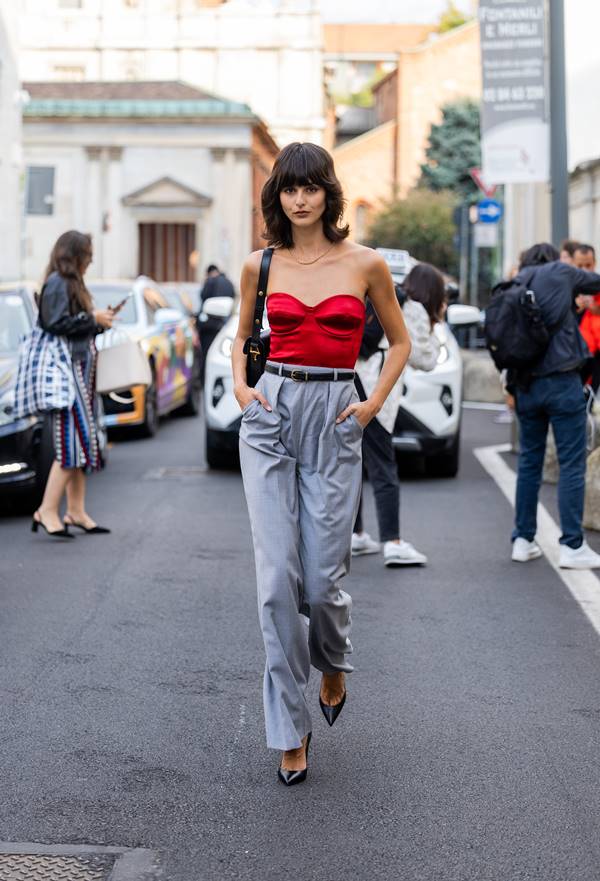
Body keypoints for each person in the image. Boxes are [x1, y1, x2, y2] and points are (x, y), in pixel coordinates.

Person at [232, 142, 411, 785]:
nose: (300, 198)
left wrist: (370, 408)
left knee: (323, 580)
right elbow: (242, 333)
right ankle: (289, 728)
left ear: (327, 194)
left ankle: (333, 660)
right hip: (272, 411)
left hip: (337, 413)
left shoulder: (365, 265)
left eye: (310, 187)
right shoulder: (262, 263)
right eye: (289, 188)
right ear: (277, 196)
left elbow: (400, 342)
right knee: (276, 582)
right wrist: (242, 388)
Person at [508, 242, 600, 569]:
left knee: (530, 462)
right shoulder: (560, 272)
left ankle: (522, 539)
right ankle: (572, 546)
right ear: (553, 259)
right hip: (561, 382)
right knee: (572, 462)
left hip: (526, 386)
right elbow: (596, 282)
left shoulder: (515, 283)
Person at [352, 262, 446, 566]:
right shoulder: (415, 308)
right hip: (375, 390)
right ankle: (392, 542)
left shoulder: (380, 297)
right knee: (383, 467)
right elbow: (425, 359)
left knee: (351, 462)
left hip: (350, 383)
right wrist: (437, 323)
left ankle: (355, 535)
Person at [32, 231, 114, 539]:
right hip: (66, 373)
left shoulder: (70, 283)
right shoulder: (58, 283)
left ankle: (75, 510)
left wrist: (97, 322)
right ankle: (47, 510)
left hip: (79, 369)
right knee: (71, 442)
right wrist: (94, 319)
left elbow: (72, 326)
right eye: (88, 254)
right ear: (74, 254)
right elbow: (55, 324)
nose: (91, 260)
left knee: (82, 442)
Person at [574, 245, 600, 389]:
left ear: (594, 263)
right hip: (577, 350)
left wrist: (594, 307)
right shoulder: (567, 285)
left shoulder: (597, 283)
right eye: (580, 265)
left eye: (588, 265)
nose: (584, 269)